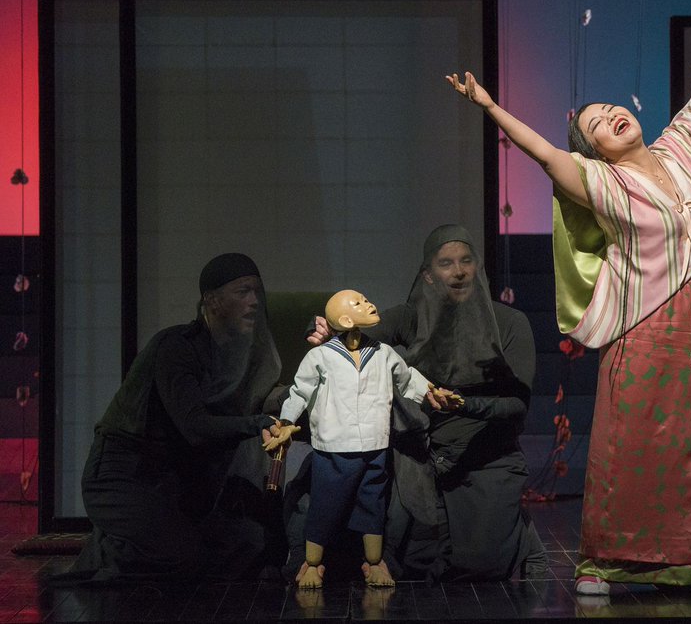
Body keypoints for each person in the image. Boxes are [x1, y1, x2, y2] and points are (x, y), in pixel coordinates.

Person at [446, 0, 691, 594]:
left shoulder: (681, 150)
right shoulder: (600, 181)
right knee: (632, 444)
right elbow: (543, 152)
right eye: (596, 123)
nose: (611, 116)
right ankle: (606, 561)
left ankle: (681, 560)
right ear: (593, 148)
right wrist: (490, 106)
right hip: (642, 327)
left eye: (611, 109)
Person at [307, 225, 546, 581]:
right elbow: (357, 337)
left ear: (477, 267)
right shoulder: (412, 316)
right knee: (410, 560)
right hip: (422, 455)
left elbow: (517, 405)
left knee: (481, 565)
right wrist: (330, 338)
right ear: (429, 276)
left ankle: (518, 535)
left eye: (466, 261)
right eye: (446, 263)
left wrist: (462, 405)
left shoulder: (510, 323)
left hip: (485, 454)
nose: (459, 271)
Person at [62, 253, 283, 582]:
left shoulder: (232, 354)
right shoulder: (175, 347)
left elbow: (259, 395)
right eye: (242, 292)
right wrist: (257, 425)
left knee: (241, 545)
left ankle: (137, 539)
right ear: (212, 300)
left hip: (168, 478)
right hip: (121, 474)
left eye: (256, 292)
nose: (253, 302)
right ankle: (108, 552)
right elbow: (195, 427)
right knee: (181, 557)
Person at [265, 289, 456, 589]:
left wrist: (431, 392)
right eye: (359, 303)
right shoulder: (321, 356)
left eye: (367, 299)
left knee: (372, 506)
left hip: (374, 446)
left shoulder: (382, 353)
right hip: (333, 449)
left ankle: (375, 562)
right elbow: (300, 391)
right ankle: (313, 564)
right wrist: (286, 423)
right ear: (344, 319)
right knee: (324, 507)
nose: (369, 303)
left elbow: (406, 378)